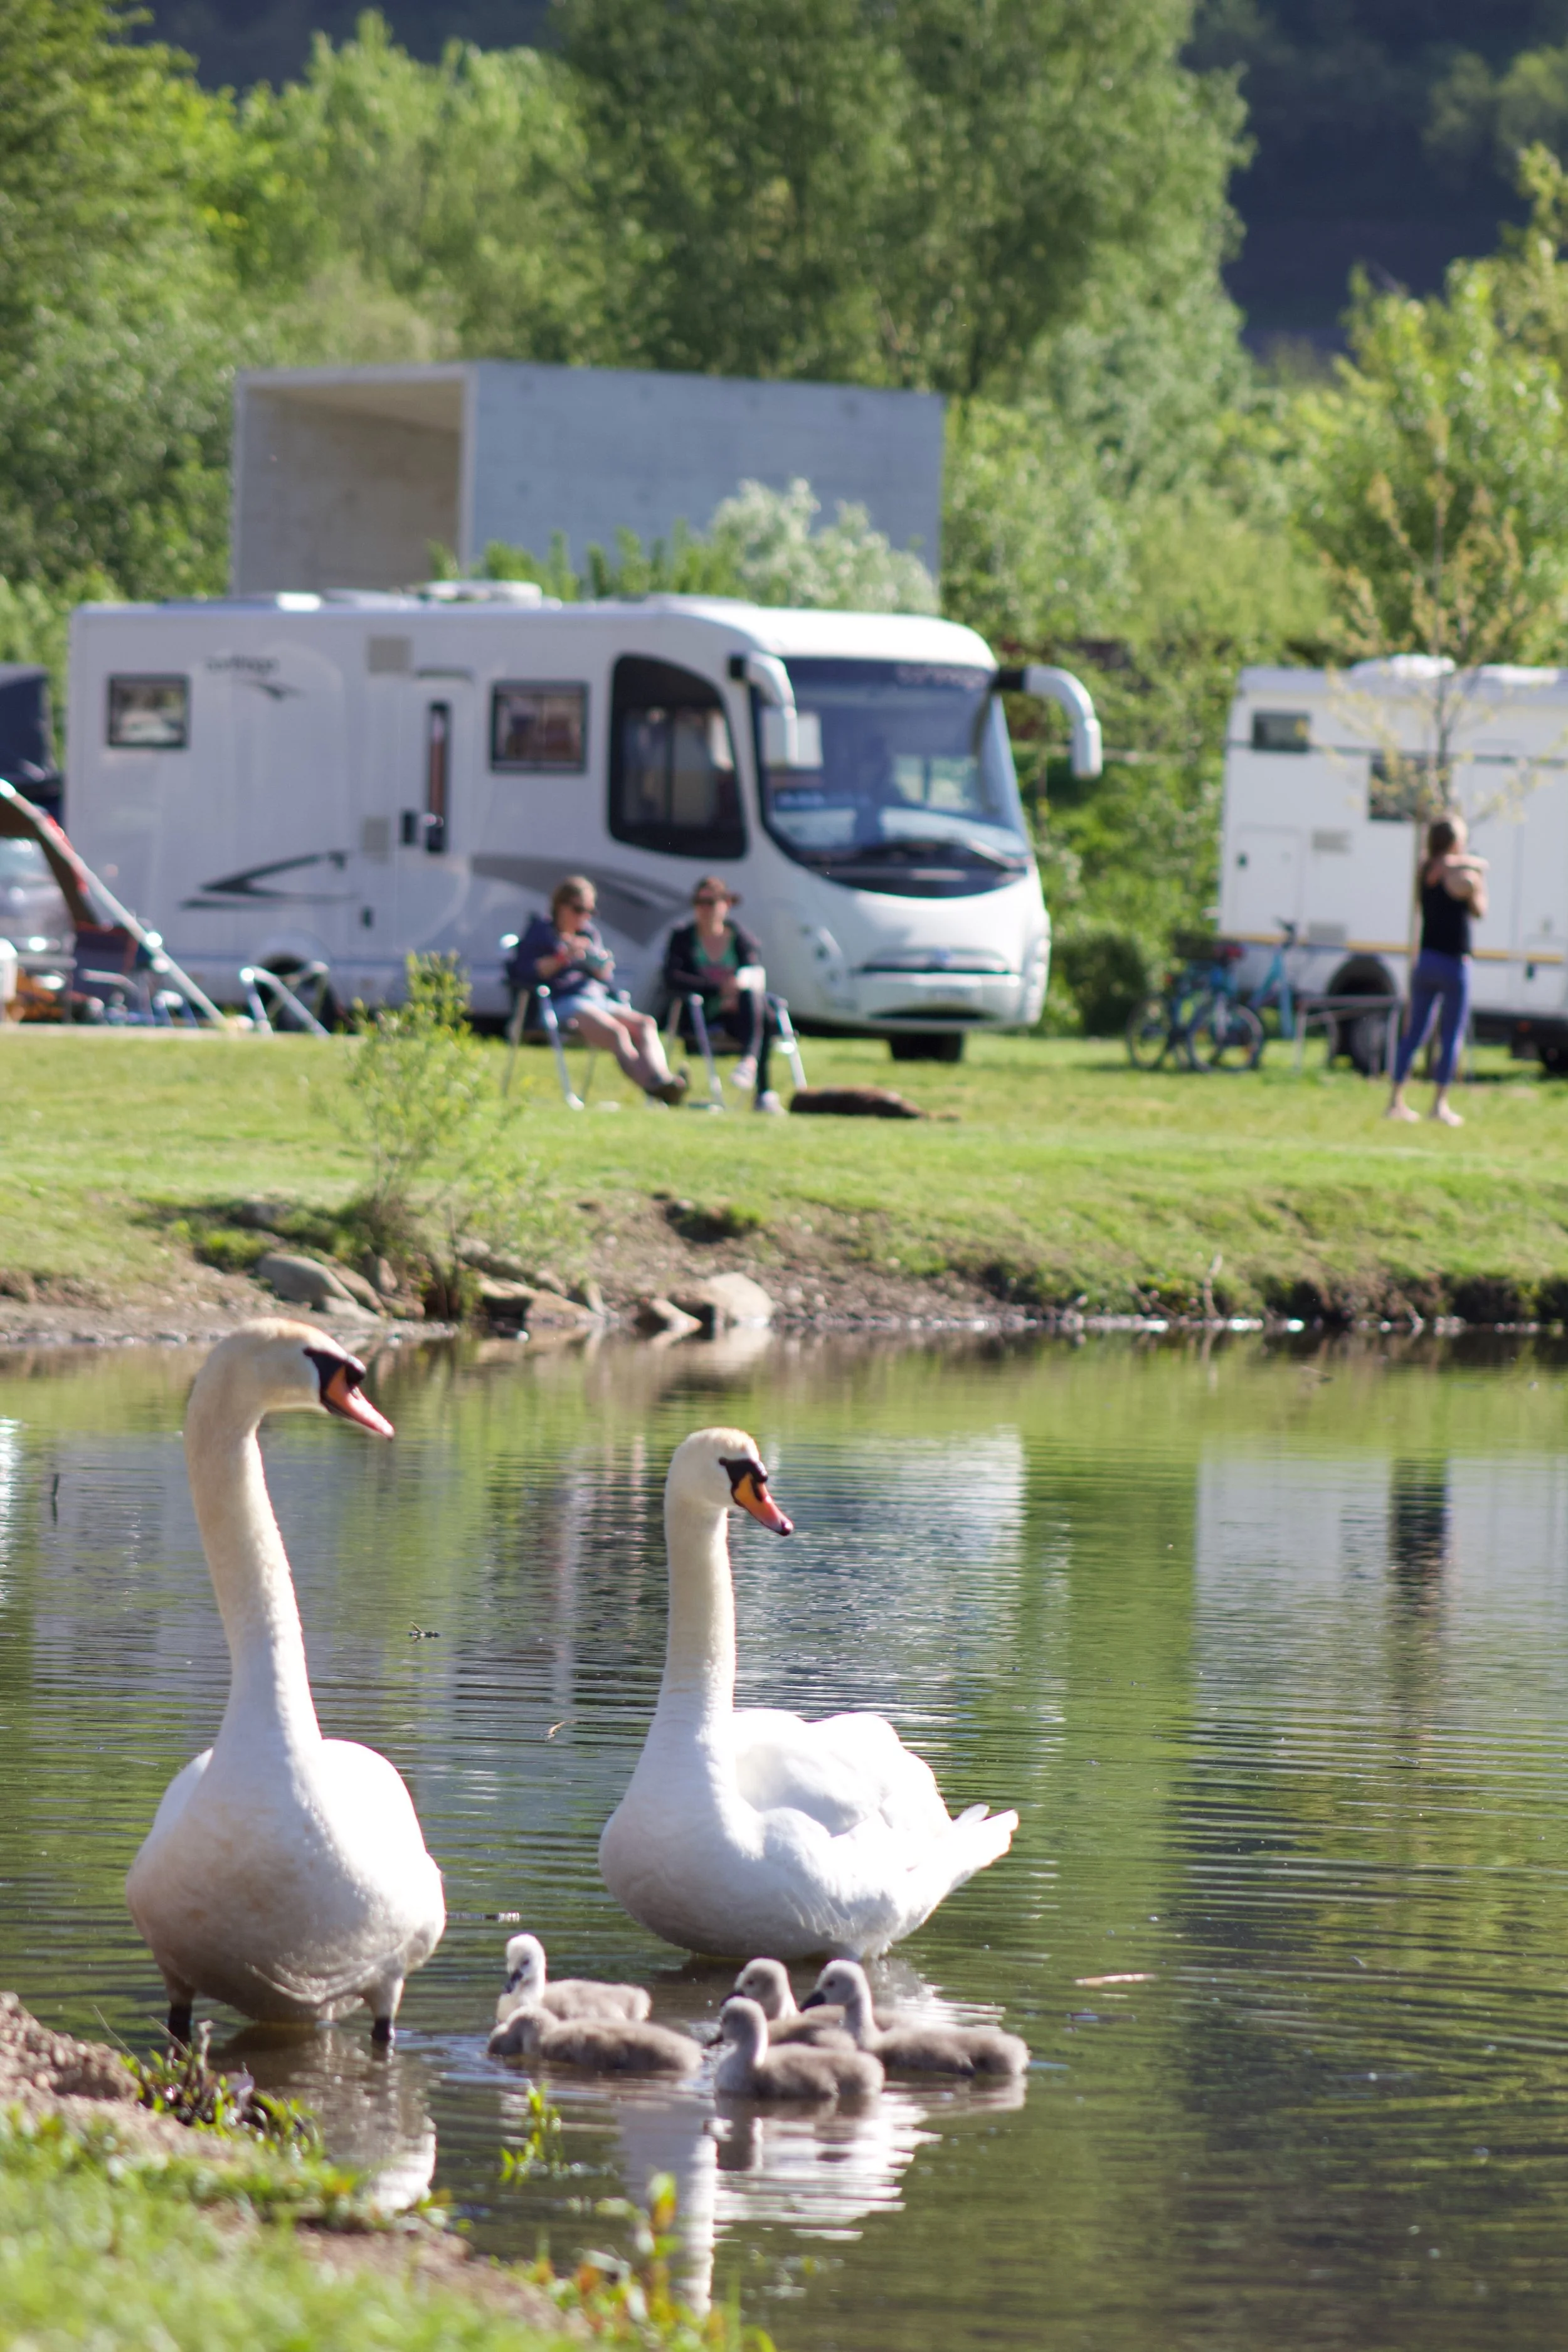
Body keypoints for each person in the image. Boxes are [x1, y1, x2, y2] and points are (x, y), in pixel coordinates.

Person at [507, 876, 687, 1104]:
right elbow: (526, 971)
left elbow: (605, 977)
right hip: (562, 1002)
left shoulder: (589, 934)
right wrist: (564, 956)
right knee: (617, 1033)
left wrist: (600, 965)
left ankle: (663, 1079)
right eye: (579, 909)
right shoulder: (542, 931)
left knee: (645, 1024)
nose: (585, 917)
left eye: (590, 911)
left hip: (595, 998)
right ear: (560, 906)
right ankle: (655, 1087)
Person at [1386, 815, 1488, 1126]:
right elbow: (1478, 906)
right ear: (1455, 840)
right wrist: (1476, 882)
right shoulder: (1462, 875)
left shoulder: (1424, 870)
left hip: (1426, 960)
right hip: (1454, 963)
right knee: (1451, 1035)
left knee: (1414, 1033)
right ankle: (1439, 1105)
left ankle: (1395, 1101)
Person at [662, 877, 783, 1113]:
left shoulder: (740, 937)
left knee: (756, 1001)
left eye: (711, 902)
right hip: (699, 1013)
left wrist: (735, 991)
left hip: (739, 1013)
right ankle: (763, 1090)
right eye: (699, 902)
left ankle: (750, 1066)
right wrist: (717, 988)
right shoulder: (683, 937)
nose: (705, 909)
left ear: (726, 904)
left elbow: (753, 971)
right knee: (763, 1018)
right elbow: (672, 977)